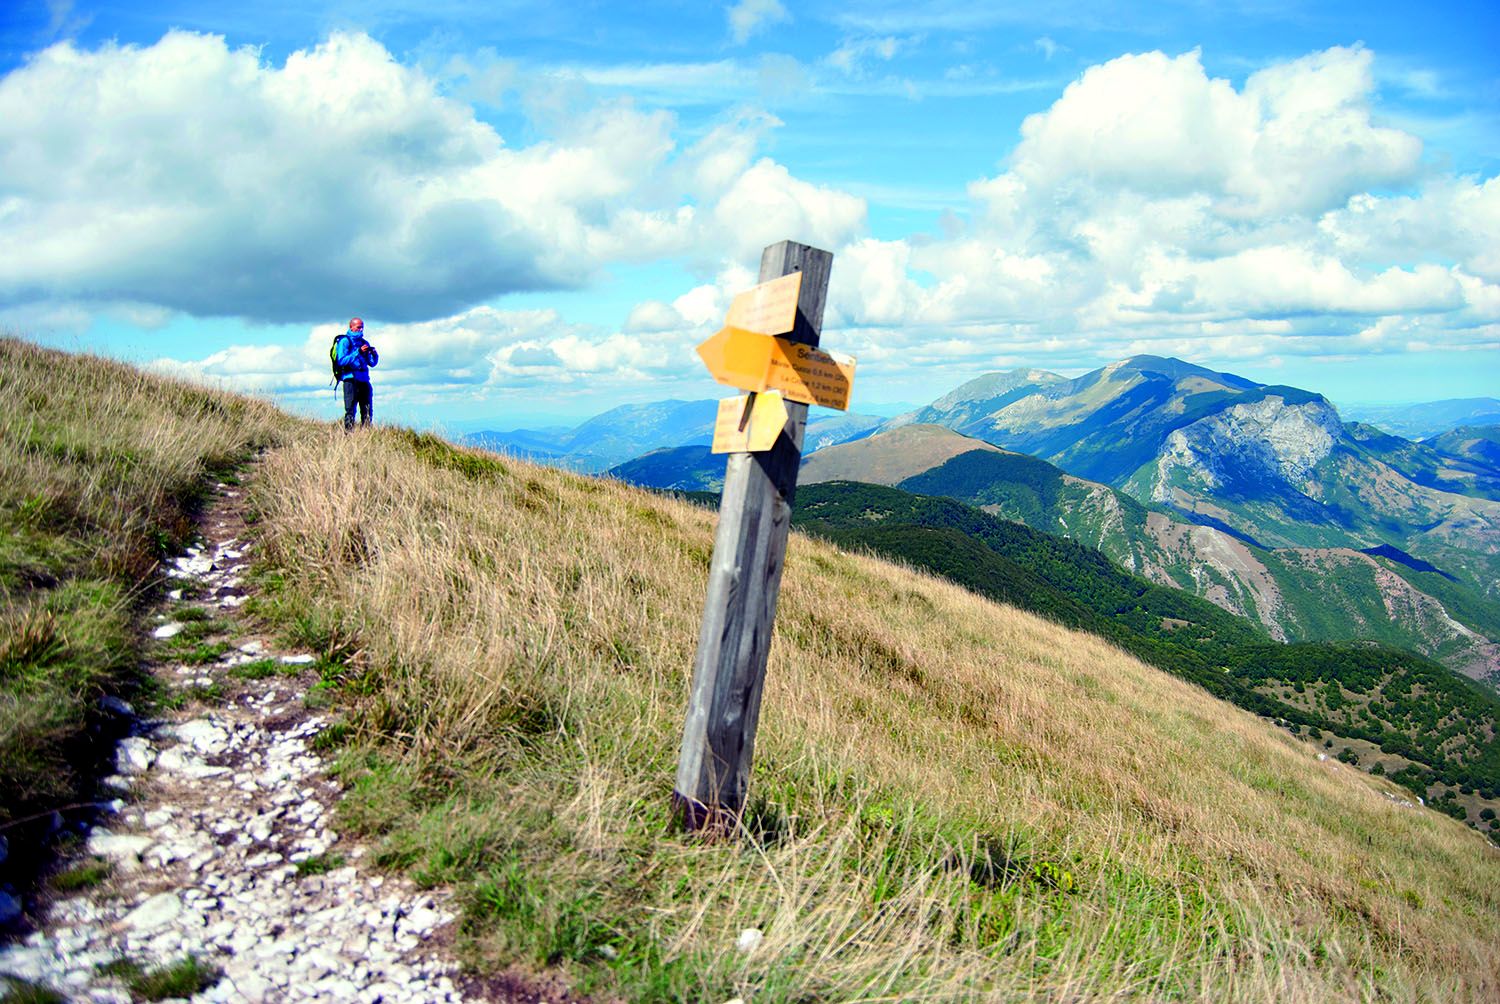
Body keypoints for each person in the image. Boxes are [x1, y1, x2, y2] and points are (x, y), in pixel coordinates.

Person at [334, 317, 379, 430]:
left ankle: (366, 434)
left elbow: (372, 363)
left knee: (367, 410)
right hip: (350, 380)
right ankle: (349, 434)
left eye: (362, 327)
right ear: (351, 327)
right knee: (350, 410)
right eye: (358, 327)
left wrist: (374, 354)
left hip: (364, 380)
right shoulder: (345, 341)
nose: (361, 330)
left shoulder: (364, 343)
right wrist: (357, 352)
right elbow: (341, 361)